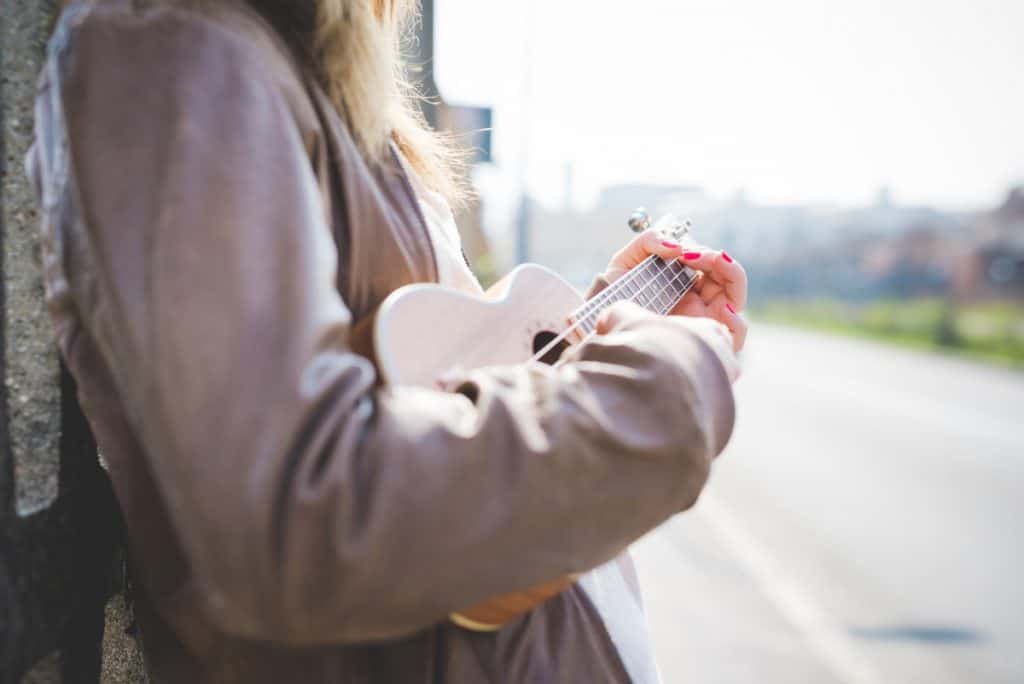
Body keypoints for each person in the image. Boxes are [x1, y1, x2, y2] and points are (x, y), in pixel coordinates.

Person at [28, 0, 747, 681]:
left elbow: (434, 388)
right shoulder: (176, 46)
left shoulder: (294, 65)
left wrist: (600, 330)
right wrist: (663, 386)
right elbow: (297, 521)